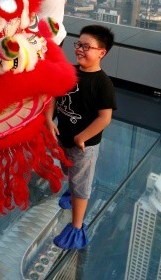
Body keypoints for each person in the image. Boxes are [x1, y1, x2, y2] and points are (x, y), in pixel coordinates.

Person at [45, 24, 116, 249]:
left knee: (81, 184)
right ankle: (72, 192)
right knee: (69, 172)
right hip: (63, 137)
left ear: (101, 52)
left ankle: (76, 228)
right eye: (79, 44)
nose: (80, 50)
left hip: (84, 146)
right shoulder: (70, 71)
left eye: (87, 47)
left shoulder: (102, 83)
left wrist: (81, 138)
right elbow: (54, 95)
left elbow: (105, 118)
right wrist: (49, 118)